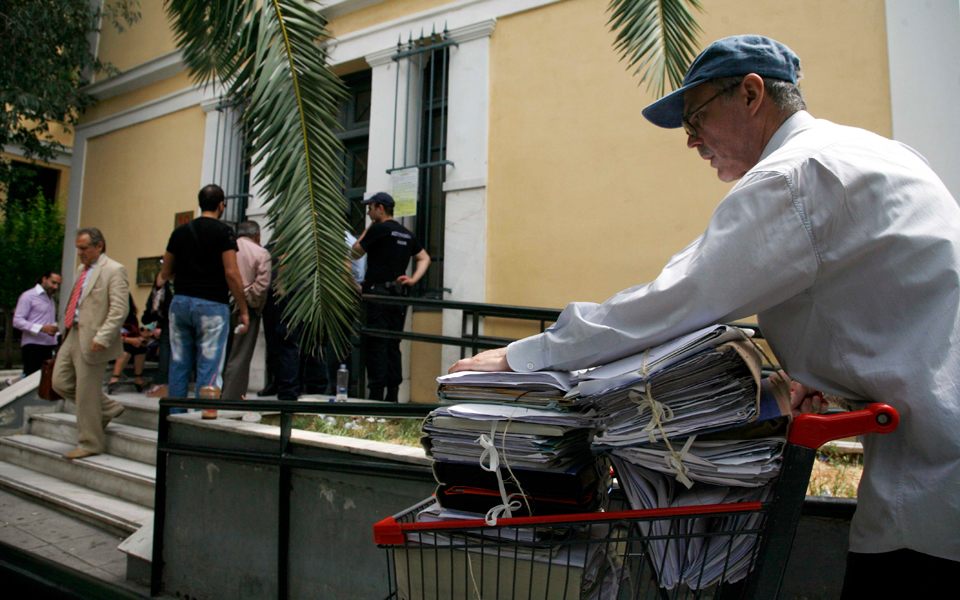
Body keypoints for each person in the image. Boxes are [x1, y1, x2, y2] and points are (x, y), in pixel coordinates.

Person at [450, 35, 960, 594]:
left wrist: (525, 355)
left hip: (932, 478)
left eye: (696, 117)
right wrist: (827, 379)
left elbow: (674, 301)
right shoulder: (878, 152)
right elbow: (893, 304)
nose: (692, 141)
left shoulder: (791, 177)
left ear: (750, 93)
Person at [157, 184, 249, 405]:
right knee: (209, 366)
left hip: (180, 303)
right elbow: (231, 273)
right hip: (211, 305)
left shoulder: (179, 232)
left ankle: (175, 418)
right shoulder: (224, 232)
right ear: (220, 205)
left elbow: (166, 272)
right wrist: (243, 309)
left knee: (178, 364)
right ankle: (201, 419)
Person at [52, 228, 129, 459]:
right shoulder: (81, 270)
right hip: (73, 333)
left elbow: (119, 309)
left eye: (84, 248)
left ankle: (90, 443)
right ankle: (108, 407)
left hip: (94, 339)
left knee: (86, 393)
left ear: (99, 246)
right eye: (78, 248)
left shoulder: (114, 270)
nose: (80, 253)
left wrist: (103, 337)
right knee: (59, 382)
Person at [352, 192, 431, 402]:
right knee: (393, 344)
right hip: (399, 295)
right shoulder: (406, 233)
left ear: (380, 208)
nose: (368, 212)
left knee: (376, 343)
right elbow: (424, 258)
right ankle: (393, 395)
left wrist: (368, 229)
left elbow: (355, 252)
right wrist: (413, 279)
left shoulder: (378, 228)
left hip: (377, 293)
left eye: (370, 208)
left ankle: (376, 396)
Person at [221, 220, 271, 399]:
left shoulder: (227, 249)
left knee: (222, 353)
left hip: (222, 304)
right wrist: (247, 300)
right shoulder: (261, 252)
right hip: (248, 309)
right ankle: (231, 398)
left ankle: (216, 393)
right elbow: (262, 286)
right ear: (257, 235)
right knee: (240, 356)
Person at [11, 270, 61, 379]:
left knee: (46, 380)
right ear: (44, 279)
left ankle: (16, 381)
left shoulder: (51, 298)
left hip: (49, 345)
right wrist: (41, 328)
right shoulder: (28, 296)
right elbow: (17, 321)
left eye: (58, 284)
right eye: (53, 282)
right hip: (33, 345)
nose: (56, 287)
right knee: (31, 379)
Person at [107, 295, 149, 393]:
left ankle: (138, 378)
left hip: (128, 349)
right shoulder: (110, 317)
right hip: (110, 348)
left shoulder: (131, 318)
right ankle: (114, 378)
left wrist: (140, 340)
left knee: (140, 347)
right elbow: (109, 336)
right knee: (127, 346)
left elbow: (135, 334)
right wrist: (128, 340)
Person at [142, 279, 174, 397]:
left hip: (170, 317)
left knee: (167, 348)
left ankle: (162, 383)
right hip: (170, 318)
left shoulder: (168, 279)